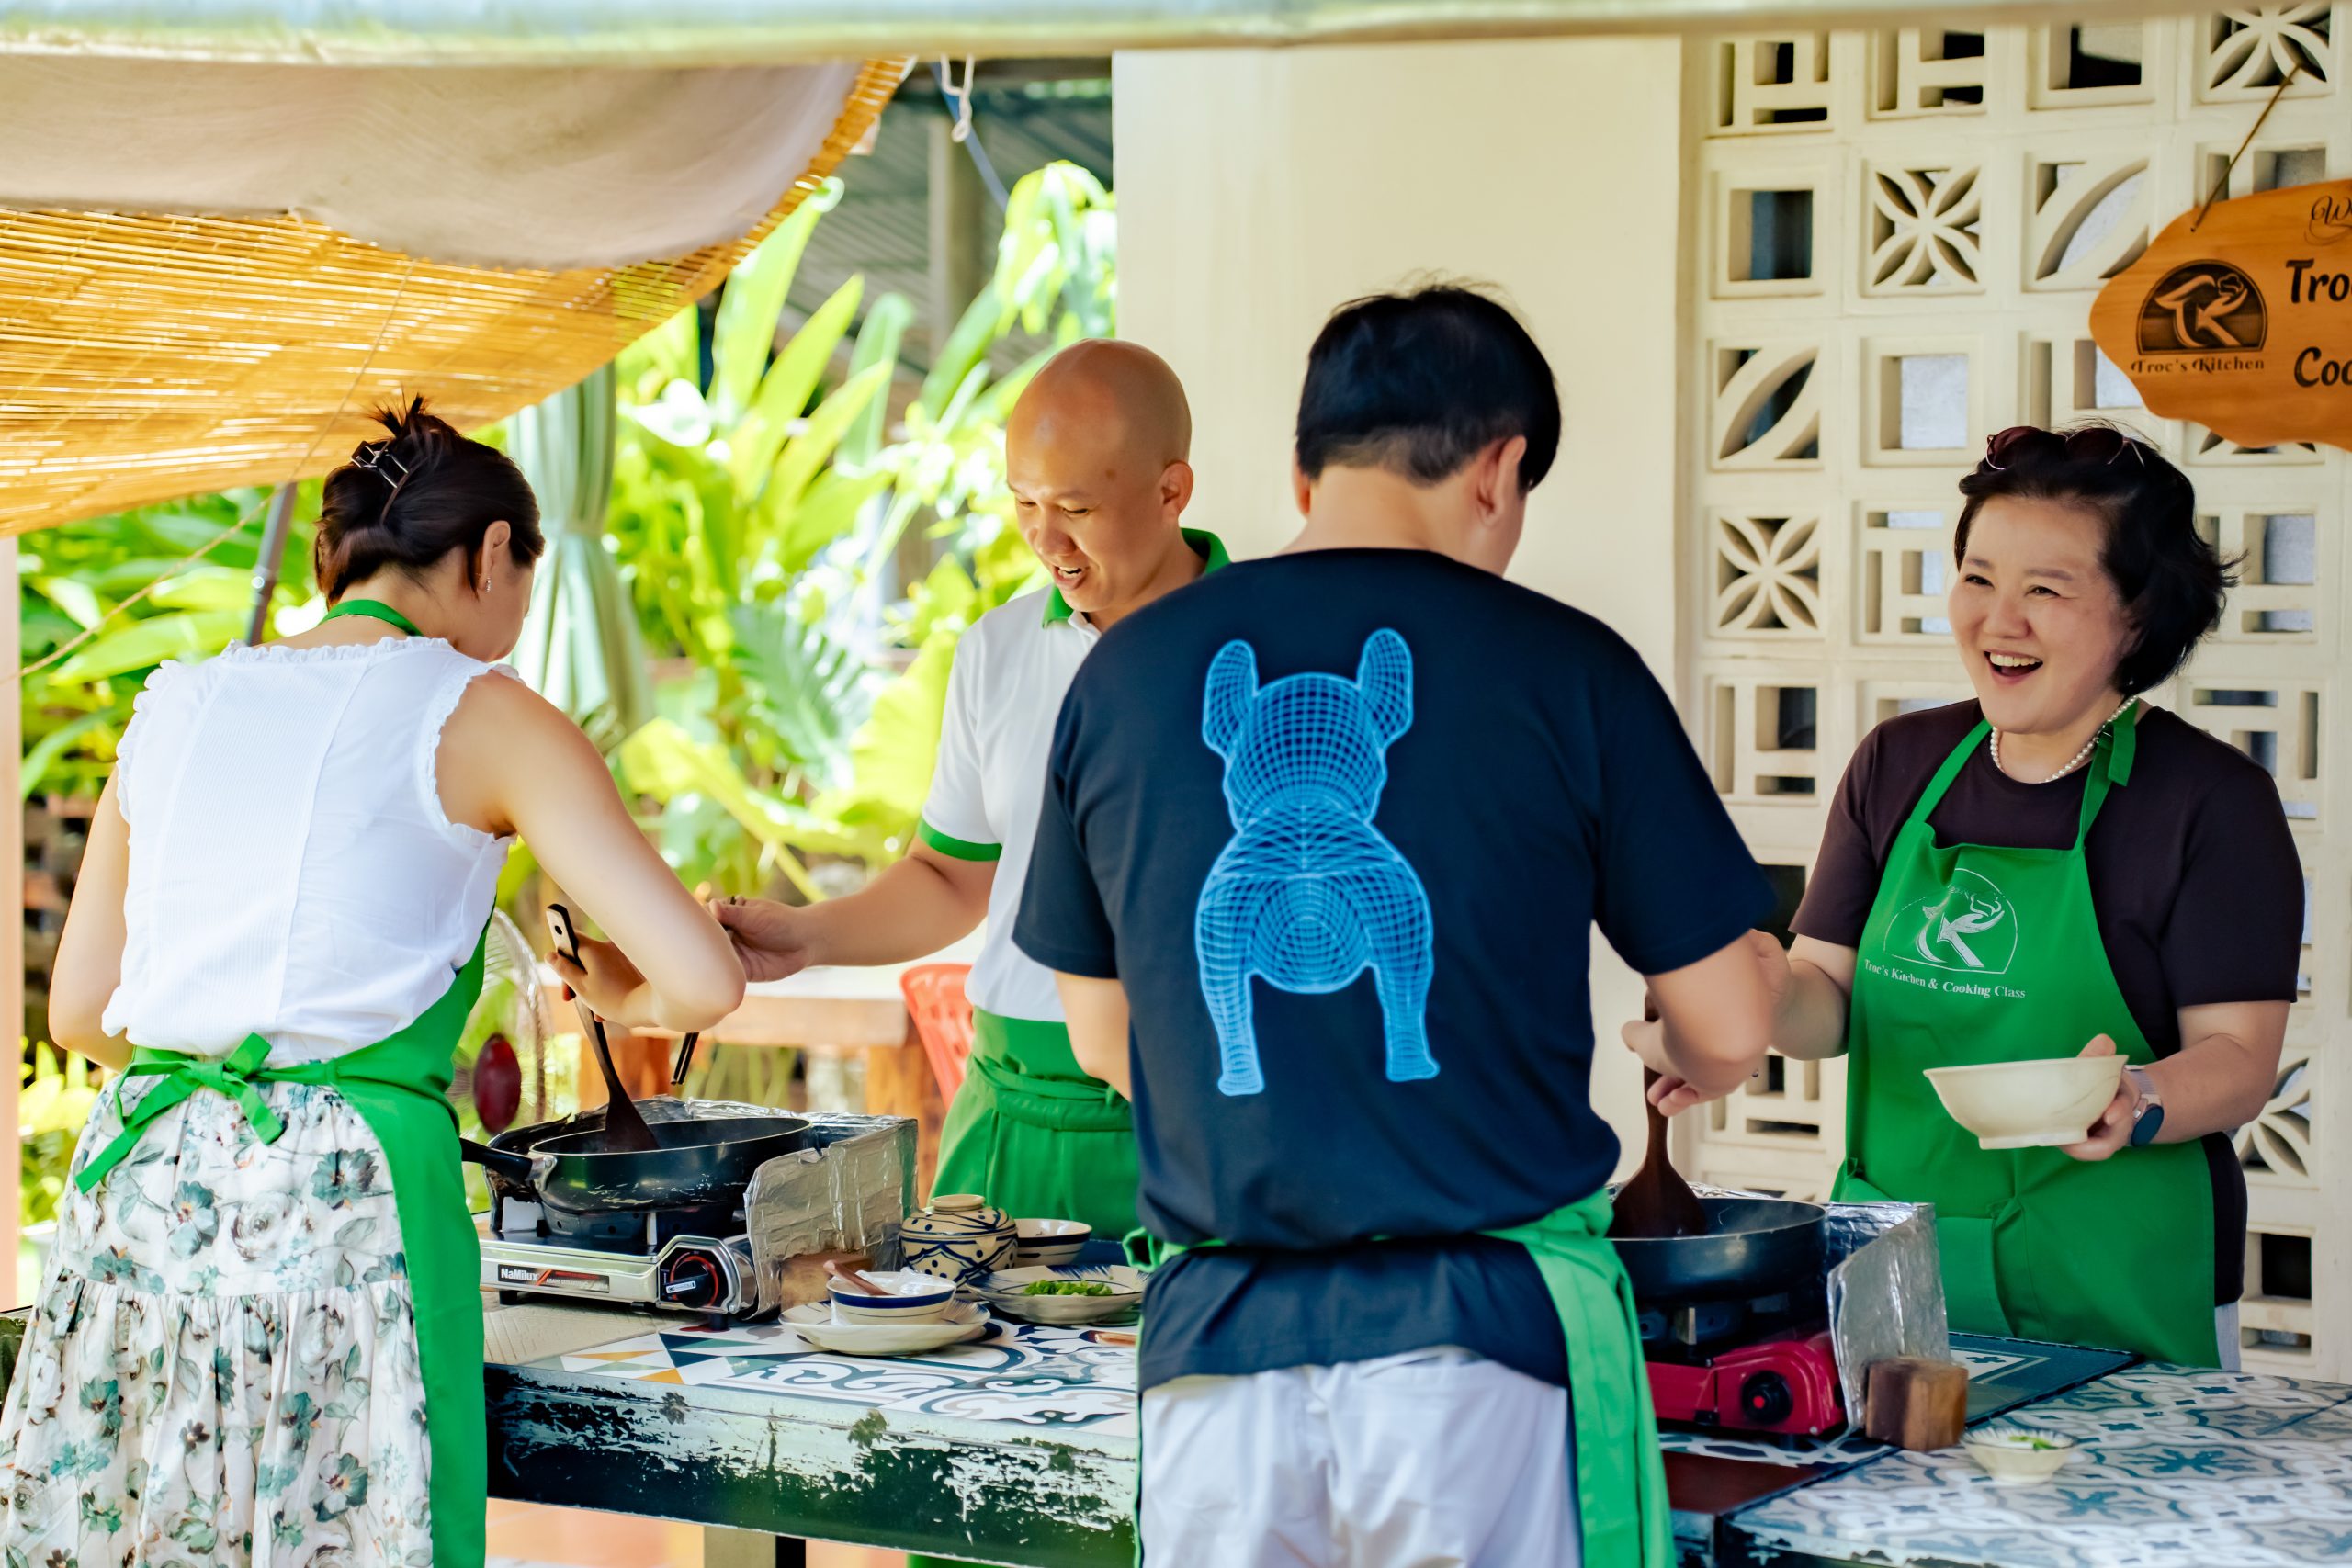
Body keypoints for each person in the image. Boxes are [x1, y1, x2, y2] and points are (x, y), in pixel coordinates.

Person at [1012, 286, 1777, 1568]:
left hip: (1218, 1353)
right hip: (1475, 1356)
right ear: (1500, 467)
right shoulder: (1569, 666)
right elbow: (1733, 1019)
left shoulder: (1130, 671)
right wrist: (1691, 1040)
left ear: (1305, 467)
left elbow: (1103, 1033)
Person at [0, 400, 745, 1568]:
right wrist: (624, 994)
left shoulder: (174, 703)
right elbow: (703, 980)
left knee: (139, 1532)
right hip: (342, 1197)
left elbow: (82, 1013)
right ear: (492, 553)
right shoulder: (480, 711)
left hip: (138, 1186)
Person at [1634, 423, 2294, 1369]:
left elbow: (2239, 1061)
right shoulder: (1896, 765)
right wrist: (1761, 989)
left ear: (2137, 615)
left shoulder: (2207, 800)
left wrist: (2135, 1096)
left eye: (2045, 590)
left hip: (2113, 1271)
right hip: (1898, 1260)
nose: (1999, 620)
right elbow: (1828, 1004)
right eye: (1978, 579)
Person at [693, 340, 1223, 1242]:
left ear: (1171, 491)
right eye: (1023, 504)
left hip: (1193, 1107)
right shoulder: (997, 650)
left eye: (1076, 509)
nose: (1044, 540)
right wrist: (806, 935)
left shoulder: (1260, 654)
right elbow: (951, 876)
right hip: (1006, 1107)